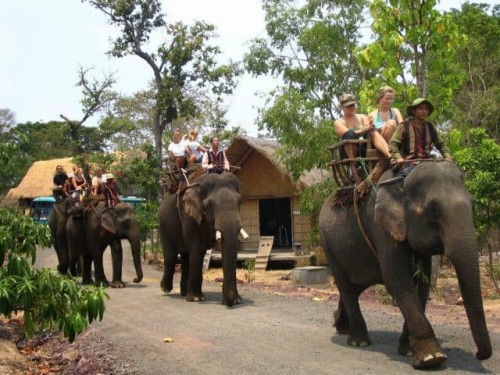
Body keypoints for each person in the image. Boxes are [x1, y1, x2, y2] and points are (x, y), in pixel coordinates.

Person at [389, 98, 452, 173]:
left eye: (426, 109)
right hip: (408, 162)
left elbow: (441, 145)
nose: (424, 111)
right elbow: (392, 144)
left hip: (428, 161)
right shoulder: (403, 126)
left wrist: (447, 156)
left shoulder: (430, 127)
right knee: (404, 176)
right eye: (420, 108)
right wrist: (398, 158)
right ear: (413, 111)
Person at [334, 93, 391, 160]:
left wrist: (370, 127)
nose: (351, 107)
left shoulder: (362, 117)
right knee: (349, 134)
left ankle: (390, 156)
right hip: (349, 151)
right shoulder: (339, 122)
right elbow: (346, 134)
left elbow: (367, 128)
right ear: (342, 106)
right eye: (348, 106)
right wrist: (361, 130)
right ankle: (354, 163)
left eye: (352, 105)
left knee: (372, 131)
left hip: (365, 147)